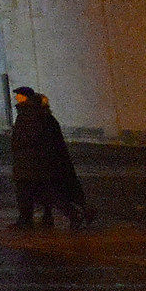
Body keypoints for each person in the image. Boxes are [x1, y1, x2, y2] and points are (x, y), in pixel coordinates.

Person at [10, 86, 89, 230]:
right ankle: (67, 214)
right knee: (42, 193)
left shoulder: (29, 114)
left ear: (24, 97)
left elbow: (30, 137)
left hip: (31, 162)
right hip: (36, 162)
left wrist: (18, 144)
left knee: (38, 192)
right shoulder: (39, 113)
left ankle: (72, 214)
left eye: (18, 95)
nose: (16, 98)